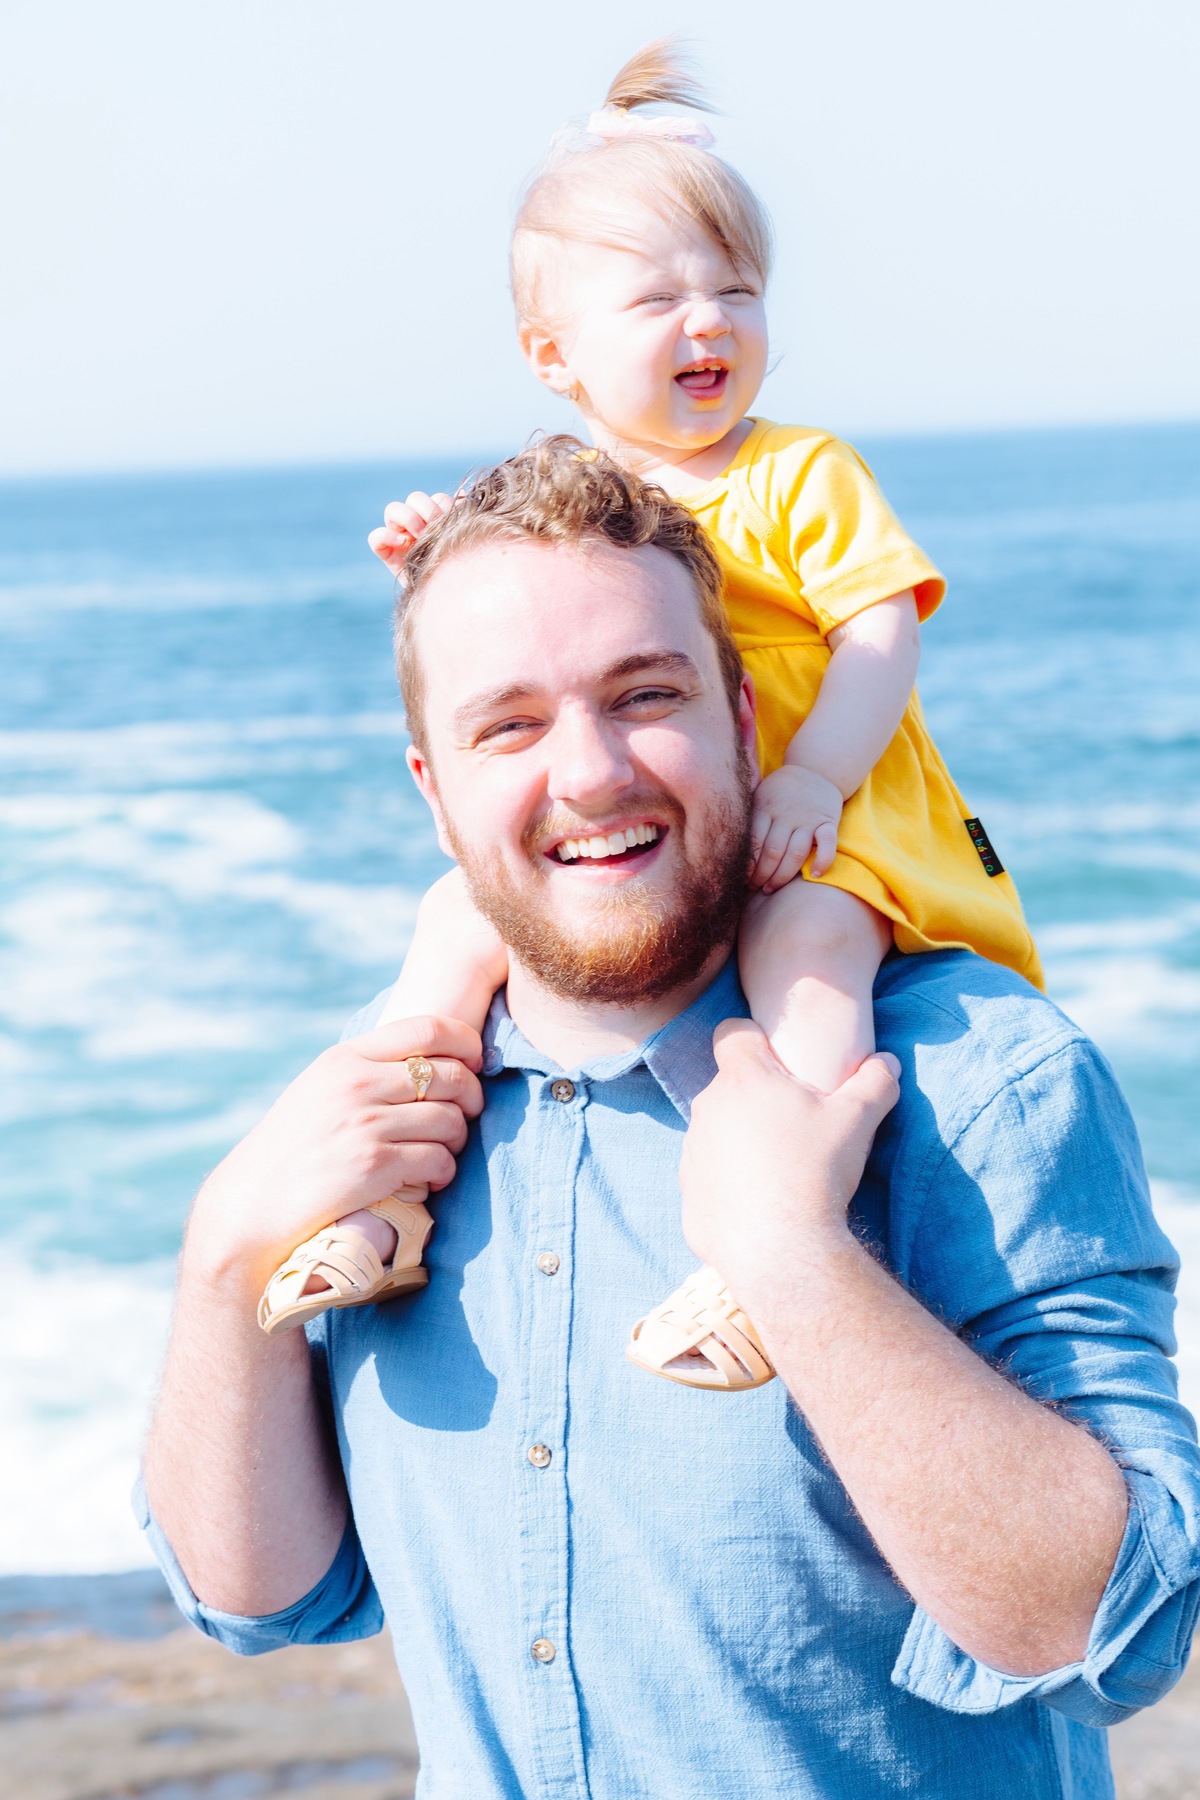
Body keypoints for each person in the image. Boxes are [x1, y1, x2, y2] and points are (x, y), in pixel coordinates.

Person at [141, 442, 1200, 1799]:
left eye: (645, 696)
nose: (588, 773)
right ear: (433, 789)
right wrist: (222, 1262)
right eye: (508, 725)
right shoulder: (388, 1124)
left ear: (748, 723)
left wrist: (796, 1262)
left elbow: (1122, 1628)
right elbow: (258, 1602)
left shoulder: (982, 1077)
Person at [260, 42, 1043, 1378]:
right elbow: (533, 592)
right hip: (683, 813)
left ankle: (769, 1250)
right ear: (553, 354)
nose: (711, 323)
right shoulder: (578, 483)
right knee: (450, 933)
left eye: (736, 291)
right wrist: (441, 551)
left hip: (829, 816)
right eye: (660, 298)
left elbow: (877, 633)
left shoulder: (799, 472)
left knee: (807, 955)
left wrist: (814, 781)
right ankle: (387, 1197)